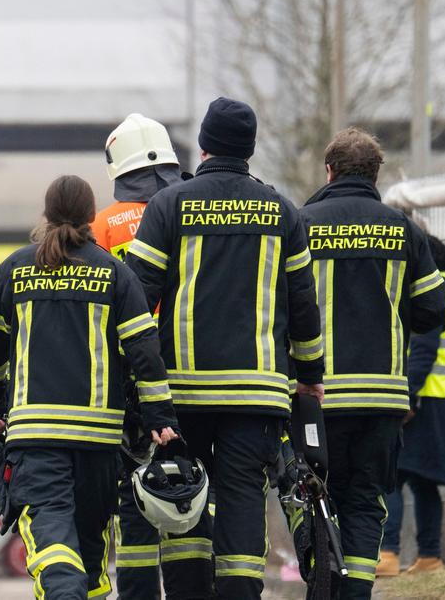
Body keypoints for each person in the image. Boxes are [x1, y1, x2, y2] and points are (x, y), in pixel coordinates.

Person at [126, 97, 325, 599]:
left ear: (205, 145)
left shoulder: (169, 205)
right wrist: (310, 374)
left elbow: (136, 299)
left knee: (185, 497)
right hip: (256, 396)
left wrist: (134, 380)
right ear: (250, 149)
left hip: (183, 395)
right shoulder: (282, 211)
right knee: (241, 499)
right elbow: (303, 304)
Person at [0, 174, 180, 600]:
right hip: (99, 442)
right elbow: (145, 353)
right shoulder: (116, 274)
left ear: (47, 215)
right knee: (89, 547)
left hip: (37, 438)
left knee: (50, 538)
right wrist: (161, 420)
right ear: (91, 216)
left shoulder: (16, 268)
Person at [300, 128, 445, 597]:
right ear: (375, 174)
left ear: (329, 170)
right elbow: (435, 310)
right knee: (366, 502)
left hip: (317, 398)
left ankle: (323, 585)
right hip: (382, 399)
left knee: (315, 498)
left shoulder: (301, 224)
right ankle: (358, 591)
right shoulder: (402, 229)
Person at [89, 113, 202, 600]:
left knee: (135, 499)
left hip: (130, 381)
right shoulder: (195, 209)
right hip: (195, 373)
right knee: (190, 491)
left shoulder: (102, 225)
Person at [380, 235, 445, 577]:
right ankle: (430, 557)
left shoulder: (430, 292)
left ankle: (388, 552)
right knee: (424, 481)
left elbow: (425, 347)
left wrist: (409, 395)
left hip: (425, 398)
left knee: (393, 475)